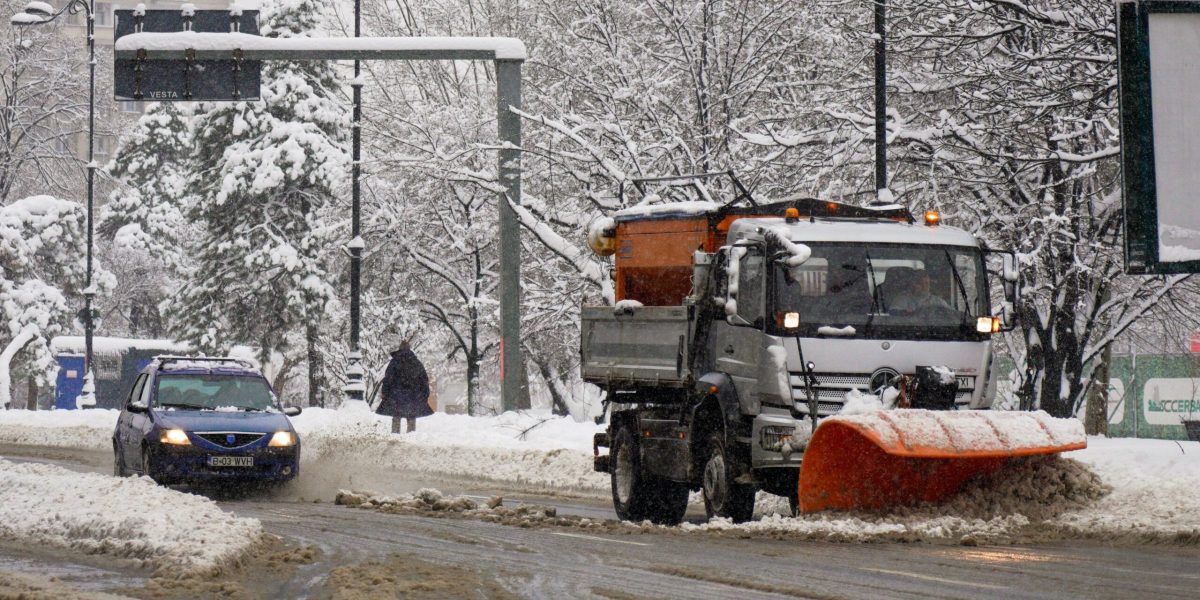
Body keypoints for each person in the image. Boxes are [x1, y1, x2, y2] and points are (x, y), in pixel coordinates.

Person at [378, 340, 432, 433]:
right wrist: (425, 394)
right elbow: (424, 380)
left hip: (396, 395)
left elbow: (388, 378)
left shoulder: (395, 362)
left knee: (396, 415)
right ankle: (411, 435)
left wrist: (384, 392)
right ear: (410, 348)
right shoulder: (416, 362)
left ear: (400, 348)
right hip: (413, 395)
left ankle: (395, 435)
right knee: (411, 415)